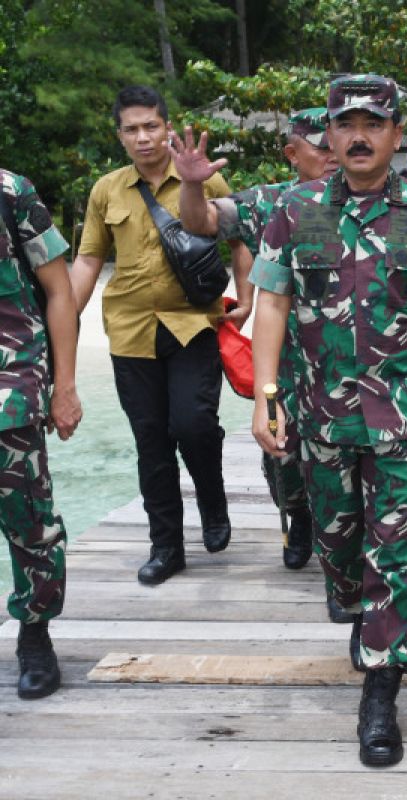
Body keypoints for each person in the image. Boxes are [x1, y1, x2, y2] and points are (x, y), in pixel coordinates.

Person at [249, 74, 407, 766]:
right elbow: (272, 303)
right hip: (321, 416)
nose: (357, 135)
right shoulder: (296, 210)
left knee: (400, 554)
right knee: (339, 548)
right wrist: (266, 390)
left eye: (372, 124)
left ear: (395, 134)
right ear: (328, 132)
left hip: (403, 417)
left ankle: (383, 687)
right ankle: (357, 607)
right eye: (344, 123)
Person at [170, 109, 356, 622]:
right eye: (320, 146)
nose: (333, 154)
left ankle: (344, 564)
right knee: (286, 460)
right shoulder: (272, 202)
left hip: (357, 369)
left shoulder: (370, 197)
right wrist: (190, 184)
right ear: (292, 154)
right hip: (292, 367)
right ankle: (296, 517)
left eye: (335, 142)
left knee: (351, 474)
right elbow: (200, 221)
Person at [71, 85, 250, 585]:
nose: (143, 137)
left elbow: (240, 239)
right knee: (150, 441)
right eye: (132, 129)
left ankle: (212, 501)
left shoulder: (201, 178)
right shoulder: (107, 189)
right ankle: (165, 545)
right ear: (120, 135)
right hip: (130, 330)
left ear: (167, 126)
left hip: (194, 322)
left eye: (151, 125)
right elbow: (88, 258)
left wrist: (248, 296)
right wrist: (62, 317)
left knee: (193, 425)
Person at [0, 169, 82, 699]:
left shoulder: (11, 193)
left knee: (29, 521)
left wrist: (65, 386)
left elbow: (58, 290)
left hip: (9, 385)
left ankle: (35, 634)